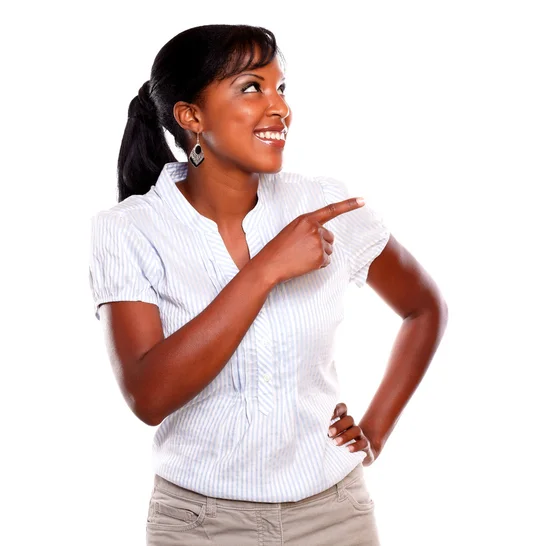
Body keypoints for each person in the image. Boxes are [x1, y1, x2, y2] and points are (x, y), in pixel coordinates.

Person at [89, 24, 448, 546]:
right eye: (252, 87)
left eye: (281, 88)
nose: (278, 107)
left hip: (335, 516)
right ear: (191, 116)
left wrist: (375, 431)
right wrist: (266, 268)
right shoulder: (128, 229)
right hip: (200, 526)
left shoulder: (322, 204)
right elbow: (148, 395)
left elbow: (424, 309)